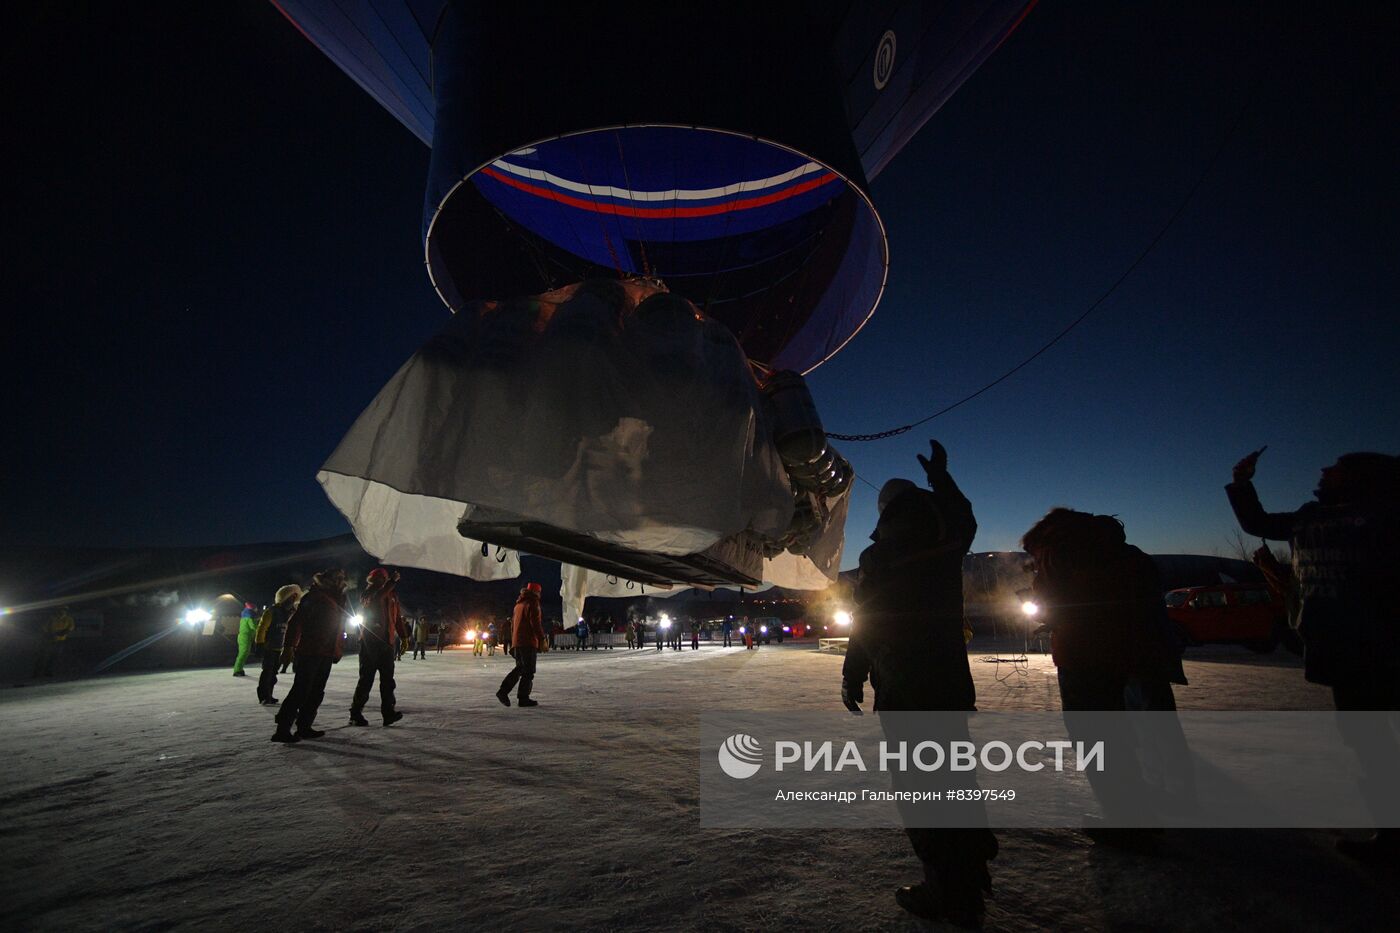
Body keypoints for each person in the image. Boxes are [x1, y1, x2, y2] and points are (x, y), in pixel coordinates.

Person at [841, 440, 996, 928]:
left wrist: (853, 674)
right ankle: (970, 875)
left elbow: (866, 619)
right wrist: (942, 479)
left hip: (905, 687)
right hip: (949, 682)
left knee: (921, 787)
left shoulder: (879, 556)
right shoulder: (947, 539)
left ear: (884, 511)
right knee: (954, 779)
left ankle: (945, 889)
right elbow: (965, 517)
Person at [1227, 448, 1400, 859]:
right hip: (1339, 649)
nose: (1323, 469)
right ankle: (1392, 835)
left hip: (1384, 645)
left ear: (1361, 477)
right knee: (1370, 743)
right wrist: (1241, 484)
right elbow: (1258, 523)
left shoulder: (1387, 516)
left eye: (1335, 468)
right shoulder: (1310, 517)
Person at [272, 569, 350, 743]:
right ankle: (282, 729)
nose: (341, 582)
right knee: (301, 691)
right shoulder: (314, 597)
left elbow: (338, 628)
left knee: (316, 692)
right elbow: (295, 622)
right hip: (310, 651)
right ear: (328, 580)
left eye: (342, 579)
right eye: (337, 579)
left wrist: (337, 648)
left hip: (326, 652)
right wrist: (289, 647)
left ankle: (304, 726)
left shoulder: (336, 600)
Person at [350, 567, 407, 727]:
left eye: (384, 578)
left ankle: (388, 713)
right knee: (366, 679)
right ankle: (355, 713)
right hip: (370, 643)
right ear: (373, 581)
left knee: (388, 681)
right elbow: (376, 599)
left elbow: (397, 618)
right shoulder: (369, 593)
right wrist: (391, 583)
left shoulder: (392, 595)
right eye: (379, 579)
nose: (382, 581)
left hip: (387, 643)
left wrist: (403, 636)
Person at [496, 583, 546, 707]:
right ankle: (522, 698)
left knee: (520, 668)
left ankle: (504, 691)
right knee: (528, 671)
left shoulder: (518, 604)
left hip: (518, 642)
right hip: (528, 642)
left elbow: (513, 626)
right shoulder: (533, 603)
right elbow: (535, 623)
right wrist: (542, 639)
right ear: (536, 592)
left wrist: (514, 642)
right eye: (539, 592)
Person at [255, 585, 302, 705]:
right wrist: (259, 643)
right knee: (267, 672)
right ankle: (264, 695)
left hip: (281, 647)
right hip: (270, 647)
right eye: (292, 597)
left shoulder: (292, 612)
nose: (293, 600)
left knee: (274, 673)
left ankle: (269, 694)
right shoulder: (272, 611)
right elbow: (262, 628)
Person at [31, 607, 76, 678]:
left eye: (64, 610)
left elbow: (71, 626)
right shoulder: (52, 618)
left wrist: (66, 631)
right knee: (43, 657)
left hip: (60, 641)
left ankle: (48, 672)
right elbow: (44, 628)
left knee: (54, 657)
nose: (62, 612)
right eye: (61, 610)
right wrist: (48, 634)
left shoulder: (68, 619)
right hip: (49, 640)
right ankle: (36, 673)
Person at [232, 603, 258, 678]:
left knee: (244, 653)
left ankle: (239, 669)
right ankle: (237, 670)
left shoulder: (246, 616)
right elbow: (253, 626)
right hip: (245, 637)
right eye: (255, 609)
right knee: (243, 653)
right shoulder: (250, 617)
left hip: (244, 637)